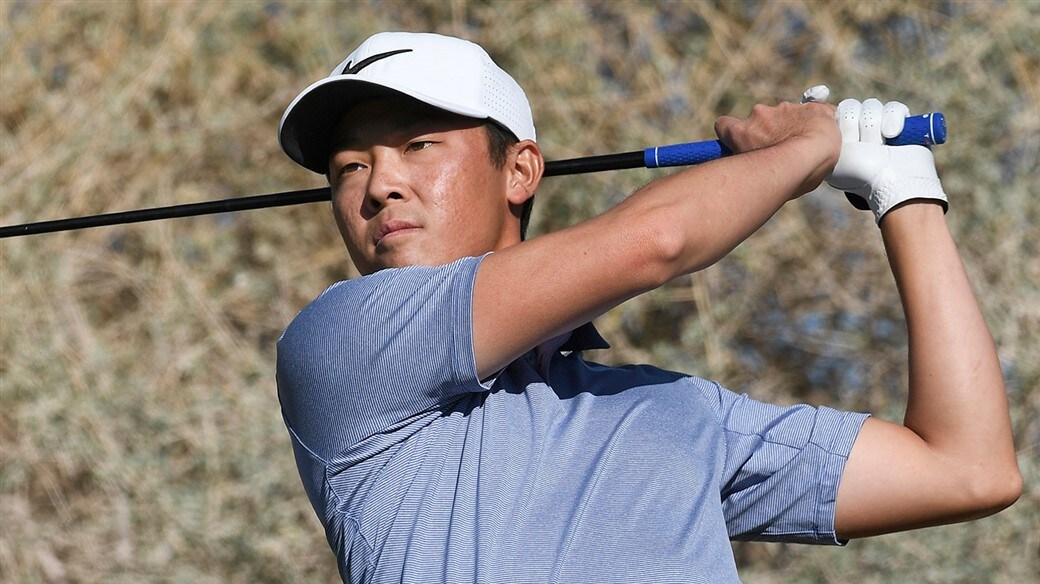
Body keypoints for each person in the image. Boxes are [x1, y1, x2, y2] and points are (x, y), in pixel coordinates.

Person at [275, 32, 1021, 583]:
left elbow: (967, 469)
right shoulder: (339, 341)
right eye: (351, 168)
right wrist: (805, 149)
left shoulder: (677, 415)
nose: (380, 186)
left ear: (522, 170)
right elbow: (656, 241)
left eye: (419, 145)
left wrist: (904, 190)